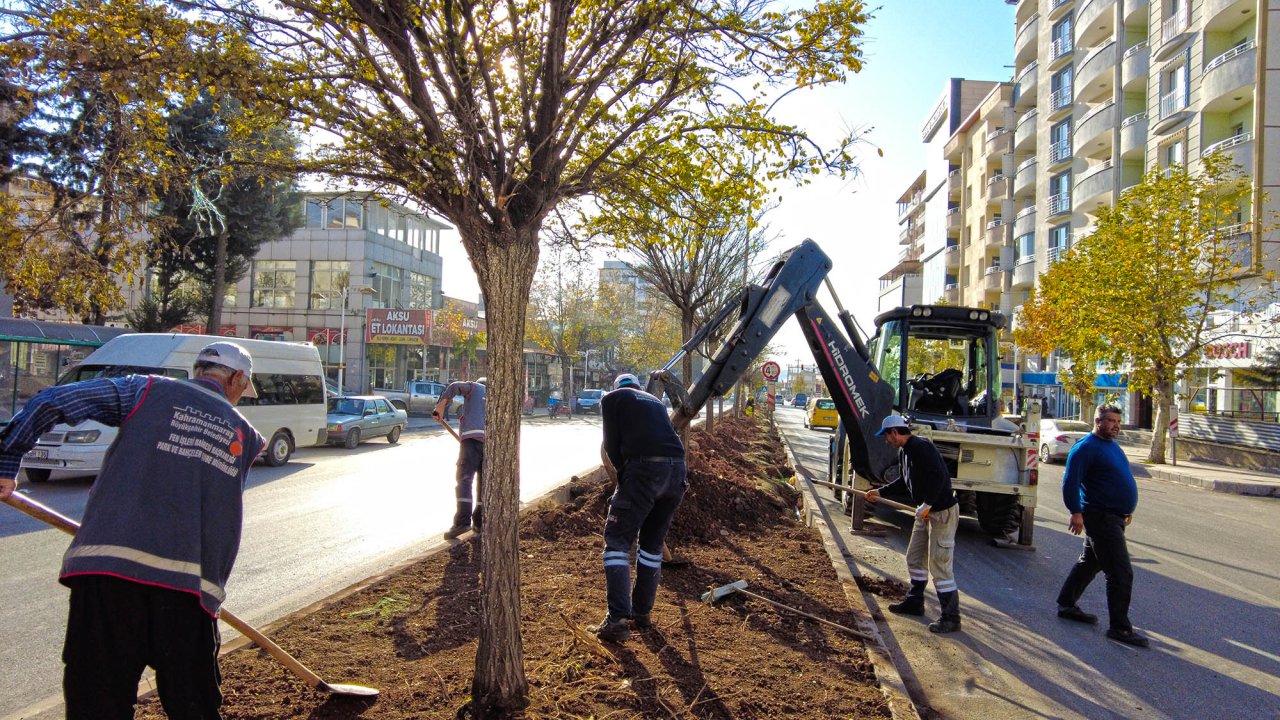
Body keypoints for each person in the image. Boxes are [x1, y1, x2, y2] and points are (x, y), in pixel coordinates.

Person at [0, 341, 266, 718]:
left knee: (97, 703)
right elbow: (222, 522)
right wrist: (212, 598)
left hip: (108, 574)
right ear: (236, 378)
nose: (242, 398)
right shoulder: (247, 435)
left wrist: (7, 462)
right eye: (244, 389)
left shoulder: (146, 390)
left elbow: (52, 401)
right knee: (195, 707)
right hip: (188, 590)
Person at [591, 373, 686, 643]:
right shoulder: (655, 402)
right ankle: (642, 613)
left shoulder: (612, 398)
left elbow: (611, 444)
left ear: (616, 387)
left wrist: (624, 475)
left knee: (617, 541)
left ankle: (618, 619)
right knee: (651, 546)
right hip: (677, 471)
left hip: (644, 470)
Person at [1055, 404, 1148, 648]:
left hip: (1114, 516)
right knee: (1120, 572)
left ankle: (1066, 603)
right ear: (1098, 421)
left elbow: (1117, 479)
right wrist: (1075, 511)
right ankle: (1120, 627)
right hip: (1100, 517)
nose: (1116, 425)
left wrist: (1126, 509)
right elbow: (1070, 482)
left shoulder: (1112, 446)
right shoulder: (1085, 448)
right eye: (1111, 421)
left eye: (1118, 421)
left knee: (1090, 561)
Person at [865, 414, 962, 634]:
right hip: (925, 512)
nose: (886, 440)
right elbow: (904, 481)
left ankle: (951, 617)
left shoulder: (921, 447)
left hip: (942, 512)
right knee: (915, 557)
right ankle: (915, 602)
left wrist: (929, 503)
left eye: (886, 436)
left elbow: (940, 477)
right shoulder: (905, 452)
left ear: (895, 432)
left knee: (939, 564)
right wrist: (880, 491)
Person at [435, 377, 486, 540]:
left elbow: (455, 386)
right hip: (490, 445)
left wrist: (440, 407)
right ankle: (479, 522)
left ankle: (462, 522)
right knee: (483, 485)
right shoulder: (497, 395)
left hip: (471, 442)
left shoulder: (475, 388)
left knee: (464, 480)